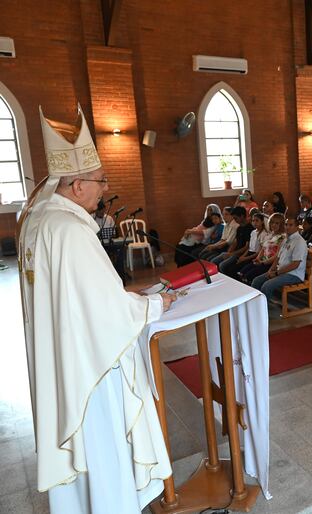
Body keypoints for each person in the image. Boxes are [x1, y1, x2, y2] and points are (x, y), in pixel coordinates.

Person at [19, 105, 174, 512]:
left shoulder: (38, 220)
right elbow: (106, 310)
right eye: (100, 180)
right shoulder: (69, 231)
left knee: (82, 474)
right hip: (91, 368)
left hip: (63, 359)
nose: (105, 188)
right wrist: (156, 303)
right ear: (75, 186)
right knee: (104, 452)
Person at [251, 216, 308, 302]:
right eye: (286, 224)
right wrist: (270, 271)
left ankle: (264, 311)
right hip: (281, 271)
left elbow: (295, 264)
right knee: (256, 281)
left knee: (267, 286)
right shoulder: (286, 239)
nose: (287, 227)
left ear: (297, 227)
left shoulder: (299, 242)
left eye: (291, 225)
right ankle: (256, 305)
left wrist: (277, 273)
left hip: (293, 274)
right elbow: (278, 257)